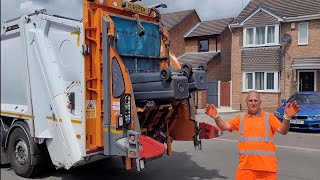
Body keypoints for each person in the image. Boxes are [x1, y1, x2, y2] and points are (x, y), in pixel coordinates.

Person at [205, 90, 300, 180]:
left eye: (256, 100)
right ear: (246, 102)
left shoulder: (269, 117)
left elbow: (283, 131)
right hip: (245, 169)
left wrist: (287, 118)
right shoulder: (240, 119)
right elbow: (225, 126)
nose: (253, 103)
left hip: (267, 170)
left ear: (260, 102)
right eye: (250, 100)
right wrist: (216, 117)